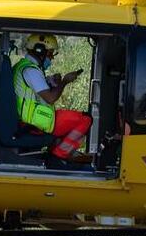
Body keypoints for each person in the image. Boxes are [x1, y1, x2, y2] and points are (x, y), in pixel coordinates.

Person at [13, 33, 92, 164]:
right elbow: (51, 98)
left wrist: (50, 81)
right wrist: (65, 81)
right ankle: (60, 155)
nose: (51, 58)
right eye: (50, 54)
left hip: (31, 119)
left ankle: (58, 148)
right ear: (40, 51)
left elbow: (34, 92)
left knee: (77, 118)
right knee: (86, 119)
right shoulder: (31, 71)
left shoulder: (23, 66)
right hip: (34, 123)